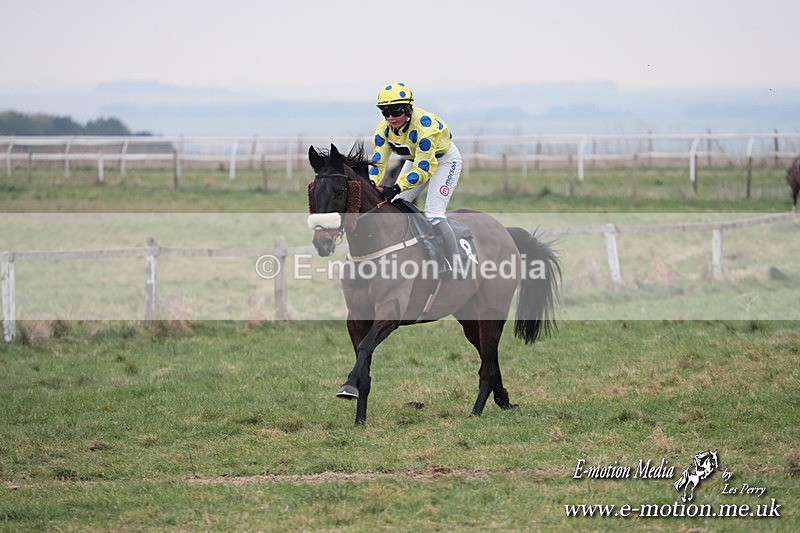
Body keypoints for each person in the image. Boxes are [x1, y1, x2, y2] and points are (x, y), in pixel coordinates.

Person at [368, 82, 464, 275]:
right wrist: (372, 184)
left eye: (395, 111)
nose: (390, 117)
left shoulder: (425, 129)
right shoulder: (384, 129)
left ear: (408, 109)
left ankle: (456, 264)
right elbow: (378, 162)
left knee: (434, 214)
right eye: (385, 112)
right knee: (397, 205)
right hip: (416, 159)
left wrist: (396, 187)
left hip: (444, 162)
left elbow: (423, 170)